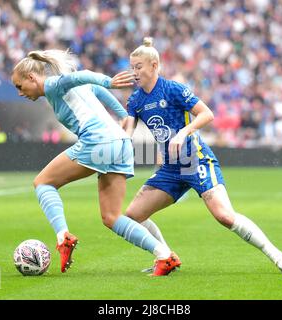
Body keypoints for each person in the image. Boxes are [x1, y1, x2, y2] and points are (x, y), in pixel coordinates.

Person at [123, 37, 282, 276]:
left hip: (195, 159)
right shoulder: (135, 100)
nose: (134, 72)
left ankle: (277, 255)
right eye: (132, 67)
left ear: (154, 65)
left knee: (224, 216)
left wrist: (183, 133)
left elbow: (207, 114)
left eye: (139, 66)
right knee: (132, 216)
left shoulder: (173, 89)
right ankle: (166, 257)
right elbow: (126, 131)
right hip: (171, 168)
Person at [11, 49, 177, 276]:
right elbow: (97, 90)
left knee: (43, 183)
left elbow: (83, 76)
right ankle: (164, 255)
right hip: (120, 144)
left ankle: (63, 237)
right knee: (112, 217)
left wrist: (109, 81)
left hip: (98, 143)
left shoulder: (52, 85)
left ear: (31, 78)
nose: (20, 93)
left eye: (20, 86)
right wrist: (124, 116)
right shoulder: (66, 89)